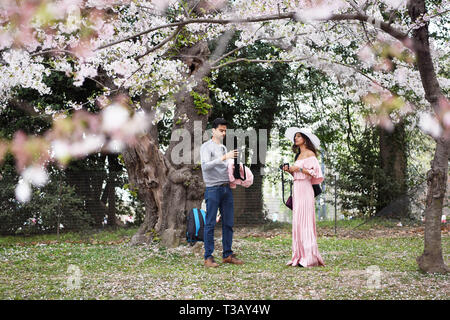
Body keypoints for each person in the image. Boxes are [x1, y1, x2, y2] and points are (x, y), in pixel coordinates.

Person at [200, 118, 244, 268]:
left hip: (226, 188)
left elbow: (225, 166)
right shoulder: (206, 147)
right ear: (213, 131)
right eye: (221, 130)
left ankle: (227, 255)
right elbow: (205, 166)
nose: (224, 133)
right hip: (213, 189)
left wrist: (237, 169)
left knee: (228, 223)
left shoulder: (224, 148)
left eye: (225, 130)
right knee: (210, 224)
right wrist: (225, 157)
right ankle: (208, 257)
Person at [283, 127, 325, 268]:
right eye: (295, 137)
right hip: (297, 188)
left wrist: (299, 169)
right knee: (298, 222)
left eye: (299, 136)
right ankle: (299, 256)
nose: (296, 138)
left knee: (306, 221)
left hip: (306, 188)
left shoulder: (310, 154)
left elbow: (315, 173)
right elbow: (297, 174)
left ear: (305, 139)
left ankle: (309, 257)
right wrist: (290, 170)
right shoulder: (298, 156)